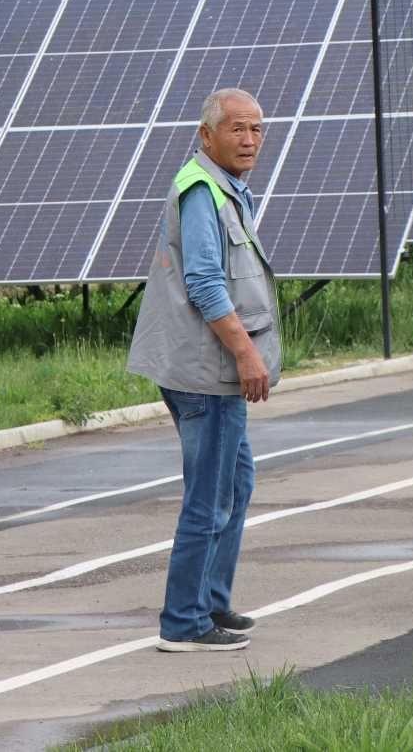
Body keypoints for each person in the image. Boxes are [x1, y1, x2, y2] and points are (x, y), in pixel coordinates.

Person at [126, 87, 281, 653]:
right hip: (204, 370)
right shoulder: (201, 192)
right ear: (207, 135)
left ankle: (211, 602)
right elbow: (205, 283)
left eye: (256, 129)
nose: (249, 139)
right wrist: (246, 353)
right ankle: (184, 623)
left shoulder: (227, 189)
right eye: (237, 129)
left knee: (235, 484)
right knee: (210, 495)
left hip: (210, 367)